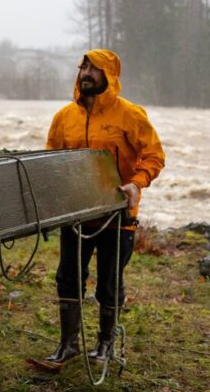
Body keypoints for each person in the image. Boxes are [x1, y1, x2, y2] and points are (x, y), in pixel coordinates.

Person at [42, 49, 165, 364]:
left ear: (109, 76)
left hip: (117, 214)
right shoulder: (64, 117)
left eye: (94, 69)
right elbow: (50, 160)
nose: (86, 73)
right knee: (68, 277)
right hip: (77, 214)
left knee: (110, 282)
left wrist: (136, 184)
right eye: (83, 67)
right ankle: (68, 345)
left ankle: (105, 345)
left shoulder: (130, 115)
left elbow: (154, 156)